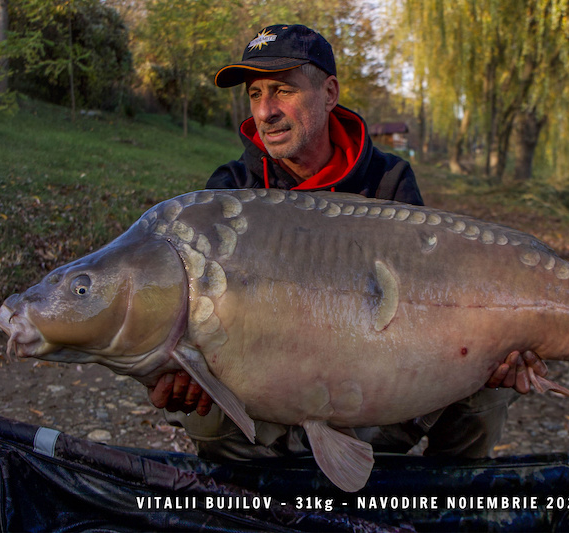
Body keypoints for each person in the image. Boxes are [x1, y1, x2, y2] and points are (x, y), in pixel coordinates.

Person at [148, 24, 547, 461]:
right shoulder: (230, 191)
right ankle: (260, 505)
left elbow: (429, 300)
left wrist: (492, 343)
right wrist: (185, 369)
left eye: (282, 90)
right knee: (200, 409)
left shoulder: (388, 180)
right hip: (265, 400)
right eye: (255, 94)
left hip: (374, 390)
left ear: (329, 92)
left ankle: (442, 499)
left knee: (488, 385)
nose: (265, 111)